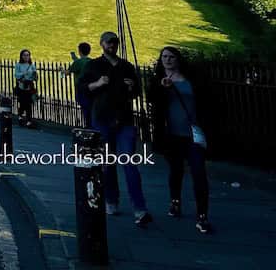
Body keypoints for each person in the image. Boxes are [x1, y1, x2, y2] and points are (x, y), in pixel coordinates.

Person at [80, 31, 152, 227]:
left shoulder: (126, 66)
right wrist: (98, 83)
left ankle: (140, 208)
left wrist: (132, 87)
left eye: (115, 43)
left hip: (124, 120)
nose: (112, 45)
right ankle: (111, 200)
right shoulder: (94, 65)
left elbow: (137, 91)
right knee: (108, 164)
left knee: (129, 163)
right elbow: (83, 88)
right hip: (102, 119)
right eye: (109, 43)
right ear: (101, 44)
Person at [147, 46, 212, 234]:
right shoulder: (158, 80)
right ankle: (175, 202)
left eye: (171, 57)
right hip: (172, 135)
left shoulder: (191, 80)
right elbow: (151, 99)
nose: (167, 60)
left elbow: (206, 102)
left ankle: (202, 215)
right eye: (164, 57)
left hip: (193, 134)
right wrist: (162, 87)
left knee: (199, 173)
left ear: (178, 59)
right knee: (176, 171)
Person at [64, 42, 93, 126]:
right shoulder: (91, 61)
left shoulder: (78, 62)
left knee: (84, 108)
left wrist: (61, 70)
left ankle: (88, 126)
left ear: (79, 51)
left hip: (80, 88)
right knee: (90, 108)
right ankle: (91, 126)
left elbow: (67, 72)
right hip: (91, 88)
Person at [14, 49, 37, 128]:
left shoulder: (32, 65)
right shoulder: (18, 65)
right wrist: (24, 73)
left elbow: (35, 77)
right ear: (21, 56)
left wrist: (35, 75)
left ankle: (29, 120)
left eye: (27, 55)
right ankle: (20, 117)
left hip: (30, 86)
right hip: (22, 85)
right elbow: (16, 75)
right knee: (22, 103)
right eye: (24, 55)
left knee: (29, 103)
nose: (26, 56)